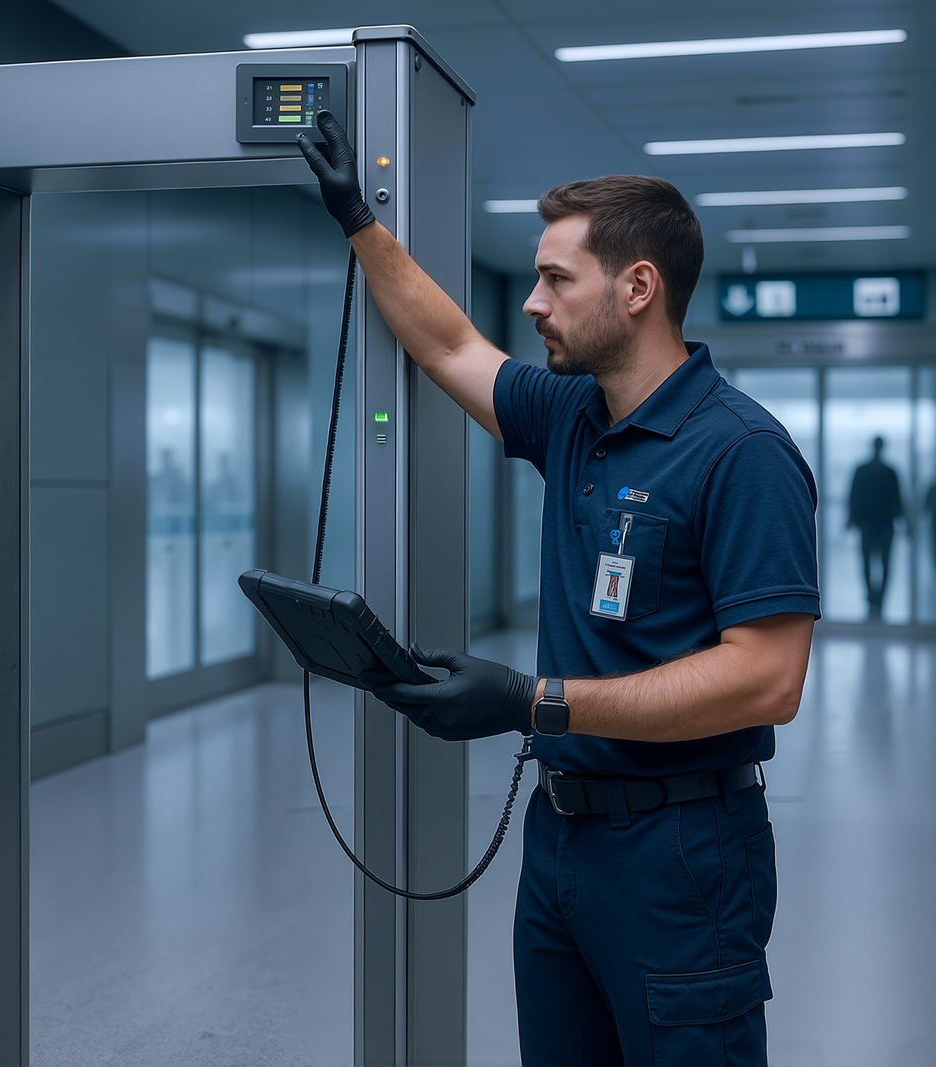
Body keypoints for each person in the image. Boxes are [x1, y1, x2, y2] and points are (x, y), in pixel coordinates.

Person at [299, 113, 819, 1066]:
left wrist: (530, 701)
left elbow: (768, 679)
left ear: (638, 288)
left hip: (684, 851)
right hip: (563, 839)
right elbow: (447, 346)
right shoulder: (575, 414)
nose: (533, 302)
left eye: (554, 279)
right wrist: (359, 224)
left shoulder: (742, 453)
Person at [846, 437, 905, 619]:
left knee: (884, 563)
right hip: (869, 523)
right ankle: (872, 598)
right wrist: (851, 517)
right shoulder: (867, 471)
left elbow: (897, 498)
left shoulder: (888, 472)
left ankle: (879, 600)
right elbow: (854, 495)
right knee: (868, 562)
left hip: (883, 523)